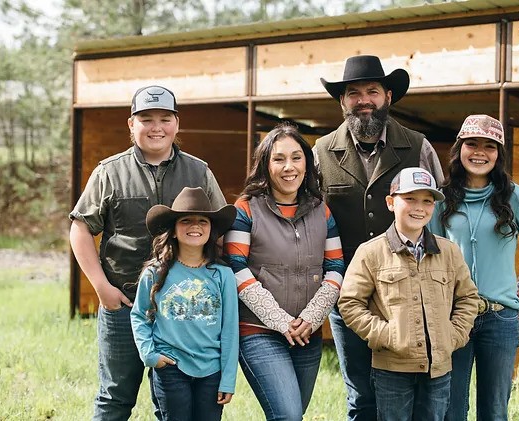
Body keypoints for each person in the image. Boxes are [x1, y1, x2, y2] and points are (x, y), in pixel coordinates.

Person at [69, 85, 227, 420]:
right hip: (124, 302)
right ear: (131, 124)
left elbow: (220, 229)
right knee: (115, 397)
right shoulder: (109, 172)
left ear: (177, 124)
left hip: (183, 311)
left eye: (164, 118)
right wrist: (101, 287)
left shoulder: (199, 172)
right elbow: (80, 228)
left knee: (173, 405)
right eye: (146, 119)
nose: (156, 127)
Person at [313, 54, 445, 420]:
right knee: (360, 396)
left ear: (388, 95)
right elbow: (311, 223)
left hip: (409, 294)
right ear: (342, 102)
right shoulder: (321, 152)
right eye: (353, 93)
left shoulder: (419, 146)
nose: (363, 100)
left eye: (372, 91)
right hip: (348, 294)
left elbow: (439, 218)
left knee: (416, 392)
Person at [429, 114, 519, 421]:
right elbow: (432, 252)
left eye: (489, 146)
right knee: (450, 409)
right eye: (472, 144)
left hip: (500, 318)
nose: (479, 152)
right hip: (454, 316)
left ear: (499, 154)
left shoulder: (514, 196)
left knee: (494, 411)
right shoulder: (443, 198)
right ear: (460, 149)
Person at [223, 122, 345, 421]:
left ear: (307, 162)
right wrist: (281, 321)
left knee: (292, 416)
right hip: (259, 332)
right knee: (288, 416)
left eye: (296, 157)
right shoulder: (245, 209)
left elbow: (336, 267)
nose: (288, 167)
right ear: (266, 165)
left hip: (307, 333)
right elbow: (236, 268)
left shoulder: (322, 210)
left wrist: (310, 318)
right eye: (279, 159)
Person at [338, 167, 479, 421]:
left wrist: (453, 335)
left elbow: (468, 298)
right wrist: (386, 334)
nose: (419, 207)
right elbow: (350, 303)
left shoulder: (449, 252)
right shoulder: (370, 253)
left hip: (438, 369)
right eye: (410, 198)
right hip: (392, 370)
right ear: (391, 203)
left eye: (427, 201)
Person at [130, 187, 238, 421]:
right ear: (173, 230)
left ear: (211, 229)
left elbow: (230, 328)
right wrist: (150, 356)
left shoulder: (223, 275)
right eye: (186, 220)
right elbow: (139, 315)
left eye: (203, 221)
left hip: (211, 371)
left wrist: (228, 378)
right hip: (171, 366)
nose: (195, 226)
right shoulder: (155, 273)